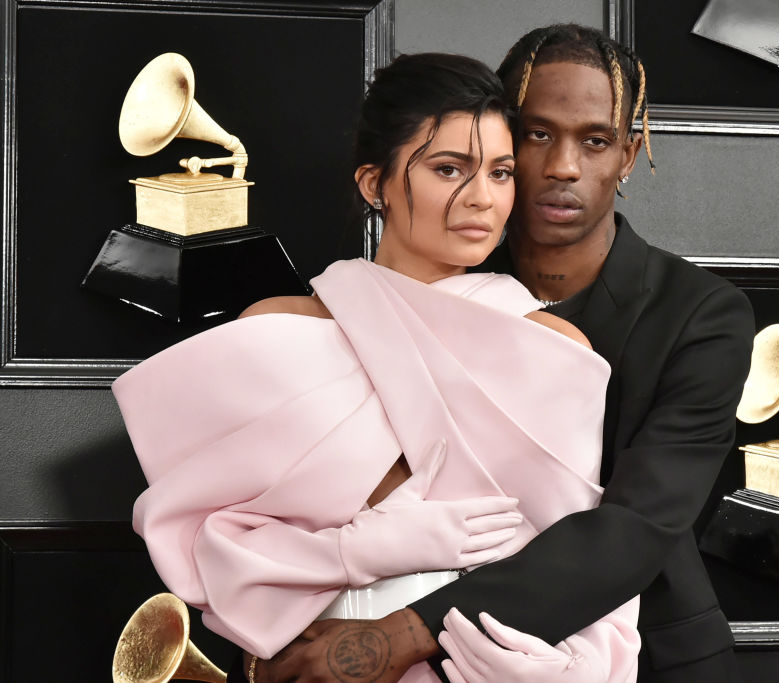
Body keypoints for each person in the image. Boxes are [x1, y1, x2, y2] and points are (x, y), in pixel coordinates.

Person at [112, 52, 641, 683]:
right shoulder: (277, 331)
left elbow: (584, 559)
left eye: (501, 173)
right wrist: (353, 550)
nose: (482, 198)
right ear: (374, 183)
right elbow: (208, 542)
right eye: (450, 169)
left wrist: (568, 668)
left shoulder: (556, 349)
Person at [259, 24, 755, 683]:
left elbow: (632, 528)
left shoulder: (703, 313)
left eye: (595, 140)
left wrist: (405, 634)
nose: (563, 166)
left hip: (645, 652)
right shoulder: (426, 273)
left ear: (629, 155)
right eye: (538, 134)